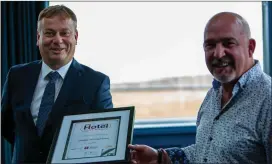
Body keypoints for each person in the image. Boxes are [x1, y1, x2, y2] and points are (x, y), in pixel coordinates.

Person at [128, 12, 272, 164]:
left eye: (228, 43)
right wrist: (159, 157)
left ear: (250, 47)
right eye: (210, 45)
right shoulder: (214, 94)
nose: (218, 53)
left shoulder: (267, 99)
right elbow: (205, 151)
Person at [1, 5, 113, 163]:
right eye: (49, 33)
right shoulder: (16, 76)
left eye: (65, 33)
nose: (58, 40)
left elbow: (105, 138)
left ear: (76, 37)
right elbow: (6, 126)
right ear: (38, 38)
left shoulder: (96, 83)